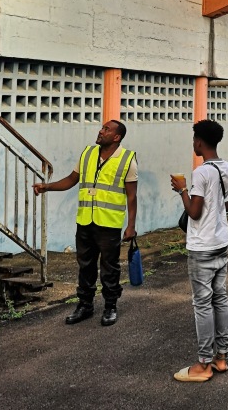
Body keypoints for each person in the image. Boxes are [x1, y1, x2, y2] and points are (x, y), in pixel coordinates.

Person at [33, 119, 137, 326]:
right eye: (102, 127)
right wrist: (47, 187)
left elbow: (132, 196)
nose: (101, 131)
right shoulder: (88, 154)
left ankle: (110, 307)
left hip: (109, 224)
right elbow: (71, 180)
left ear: (116, 137)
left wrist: (131, 226)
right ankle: (85, 305)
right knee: (85, 266)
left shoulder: (128, 160)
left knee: (109, 267)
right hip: (85, 221)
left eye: (106, 129)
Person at [171, 119, 228, 383]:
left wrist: (182, 191)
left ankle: (203, 364)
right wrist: (214, 204)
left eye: (194, 140)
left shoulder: (201, 172)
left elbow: (194, 212)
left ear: (199, 142)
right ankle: (220, 358)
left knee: (202, 304)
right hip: (221, 243)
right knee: (220, 298)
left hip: (202, 247)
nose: (193, 144)